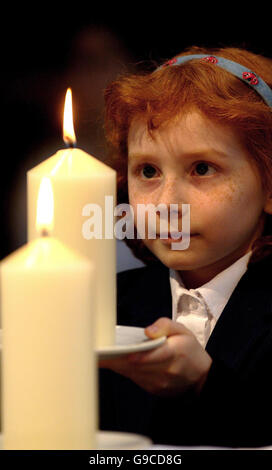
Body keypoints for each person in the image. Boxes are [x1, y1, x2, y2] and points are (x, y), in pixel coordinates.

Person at [99, 46, 272, 448]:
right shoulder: (107, 304)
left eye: (202, 168)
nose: (166, 204)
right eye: (147, 171)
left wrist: (201, 385)